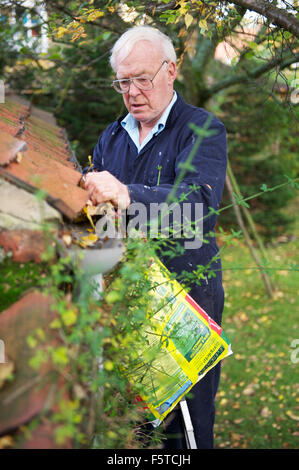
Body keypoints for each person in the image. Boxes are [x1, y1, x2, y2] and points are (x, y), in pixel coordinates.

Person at [84, 25, 227, 449]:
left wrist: (127, 194)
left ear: (172, 71)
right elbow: (104, 221)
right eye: (123, 81)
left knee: (185, 424)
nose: (132, 91)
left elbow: (198, 208)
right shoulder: (111, 138)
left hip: (184, 302)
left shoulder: (201, 129)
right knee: (134, 422)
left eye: (142, 78)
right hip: (127, 301)